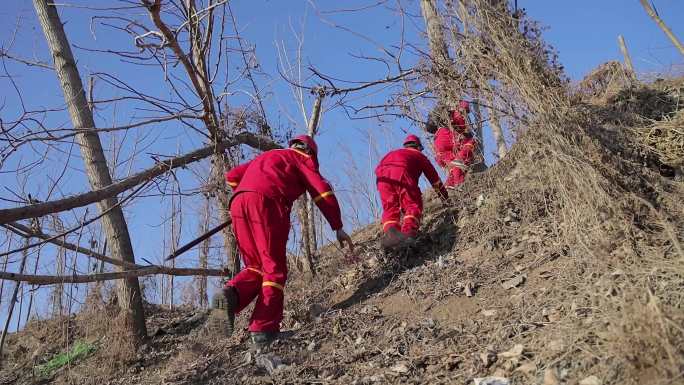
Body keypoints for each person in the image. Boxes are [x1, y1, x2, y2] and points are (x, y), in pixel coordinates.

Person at [212, 134, 355, 348]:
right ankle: (263, 331)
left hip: (238, 203)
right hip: (267, 203)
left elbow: (232, 177)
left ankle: (229, 294)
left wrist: (248, 195)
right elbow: (322, 192)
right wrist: (337, 226)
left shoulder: (270, 155)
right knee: (274, 269)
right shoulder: (302, 159)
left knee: (255, 267)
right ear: (310, 152)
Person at [375, 134, 450, 248]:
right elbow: (435, 180)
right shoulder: (419, 155)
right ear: (418, 147)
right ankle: (408, 234)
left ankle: (391, 236)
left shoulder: (394, 153)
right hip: (401, 171)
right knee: (412, 204)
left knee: (390, 207)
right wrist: (445, 198)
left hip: (381, 176)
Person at [434, 100, 476, 187]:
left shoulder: (449, 116)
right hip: (447, 139)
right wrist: (467, 136)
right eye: (466, 111)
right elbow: (461, 132)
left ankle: (448, 187)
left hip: (439, 145)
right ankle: (459, 184)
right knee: (469, 146)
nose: (465, 115)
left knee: (453, 168)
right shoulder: (459, 115)